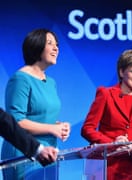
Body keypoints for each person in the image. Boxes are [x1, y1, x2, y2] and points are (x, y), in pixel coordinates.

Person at [1, 28, 71, 180]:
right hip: (24, 151)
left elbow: (41, 116)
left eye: (57, 44)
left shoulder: (51, 82)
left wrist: (59, 126)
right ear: (36, 47)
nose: (56, 48)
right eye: (50, 43)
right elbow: (16, 122)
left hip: (49, 152)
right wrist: (53, 128)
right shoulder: (20, 79)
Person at [81, 49, 132, 180]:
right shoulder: (105, 94)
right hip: (102, 164)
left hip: (128, 166)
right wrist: (112, 144)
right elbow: (87, 129)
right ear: (121, 72)